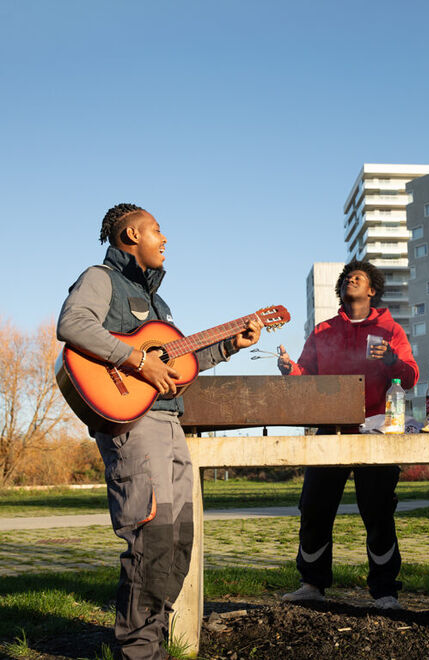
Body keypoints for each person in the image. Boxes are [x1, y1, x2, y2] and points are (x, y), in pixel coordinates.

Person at [57, 203, 262, 660]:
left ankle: (155, 644)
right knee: (151, 537)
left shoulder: (157, 304)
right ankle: (139, 651)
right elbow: (72, 324)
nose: (164, 238)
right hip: (134, 427)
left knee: (178, 542)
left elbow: (180, 366)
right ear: (131, 233)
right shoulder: (101, 278)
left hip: (170, 422)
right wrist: (136, 360)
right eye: (157, 230)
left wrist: (230, 345)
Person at [277, 260, 419, 609]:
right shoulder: (324, 330)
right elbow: (306, 377)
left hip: (376, 432)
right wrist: (289, 370)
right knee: (314, 506)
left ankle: (385, 591)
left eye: (359, 278)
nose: (351, 280)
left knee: (378, 510)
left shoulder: (390, 331)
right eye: (346, 279)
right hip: (329, 431)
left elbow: (411, 376)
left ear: (372, 290)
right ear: (341, 291)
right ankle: (311, 584)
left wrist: (389, 360)